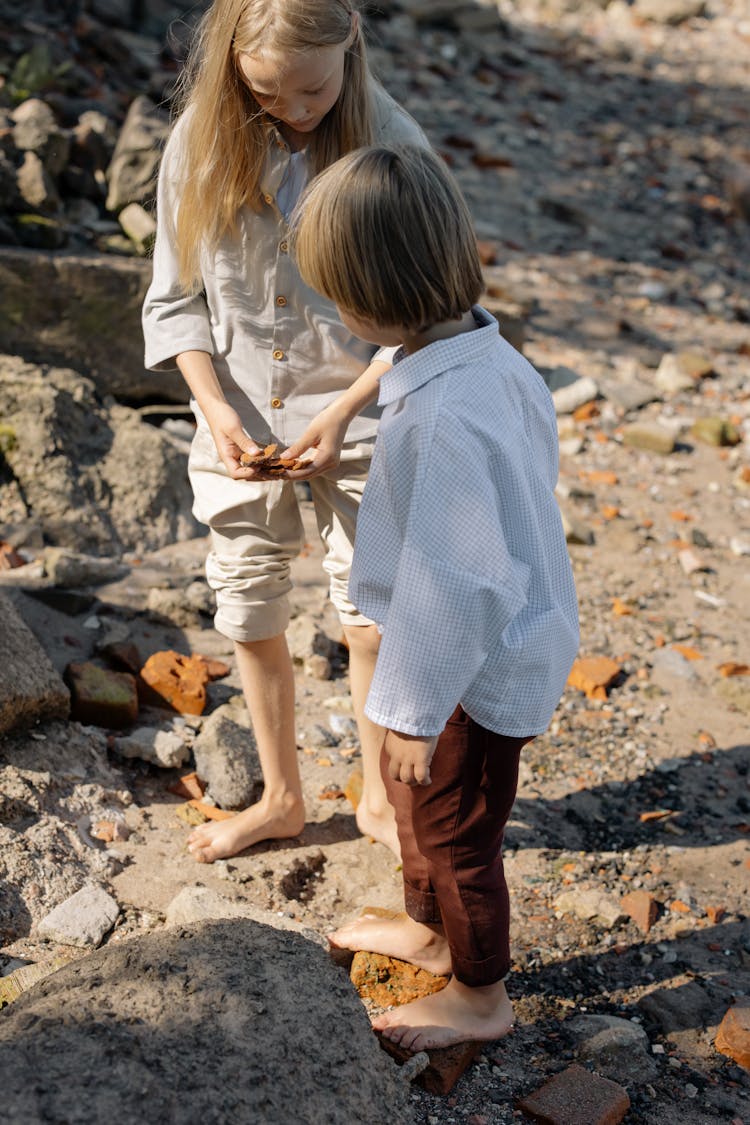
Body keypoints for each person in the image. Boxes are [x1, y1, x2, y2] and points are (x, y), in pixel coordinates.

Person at [291, 144, 580, 1050]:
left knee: (456, 827)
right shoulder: (481, 362)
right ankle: (427, 929)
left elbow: (466, 579)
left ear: (373, 303)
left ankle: (480, 996)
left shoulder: (449, 411)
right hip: (458, 648)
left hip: (472, 663)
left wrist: (415, 710)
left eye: (336, 296)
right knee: (415, 803)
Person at [142, 0, 429, 863]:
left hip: (364, 413)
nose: (296, 110)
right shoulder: (201, 140)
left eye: (311, 89)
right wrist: (215, 406)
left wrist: (344, 413)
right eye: (267, 92)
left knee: (369, 616)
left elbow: (431, 318)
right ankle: (282, 796)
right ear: (233, 68)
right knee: (247, 606)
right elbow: (174, 300)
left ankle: (378, 798)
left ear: (351, 44)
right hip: (240, 421)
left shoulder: (394, 146)